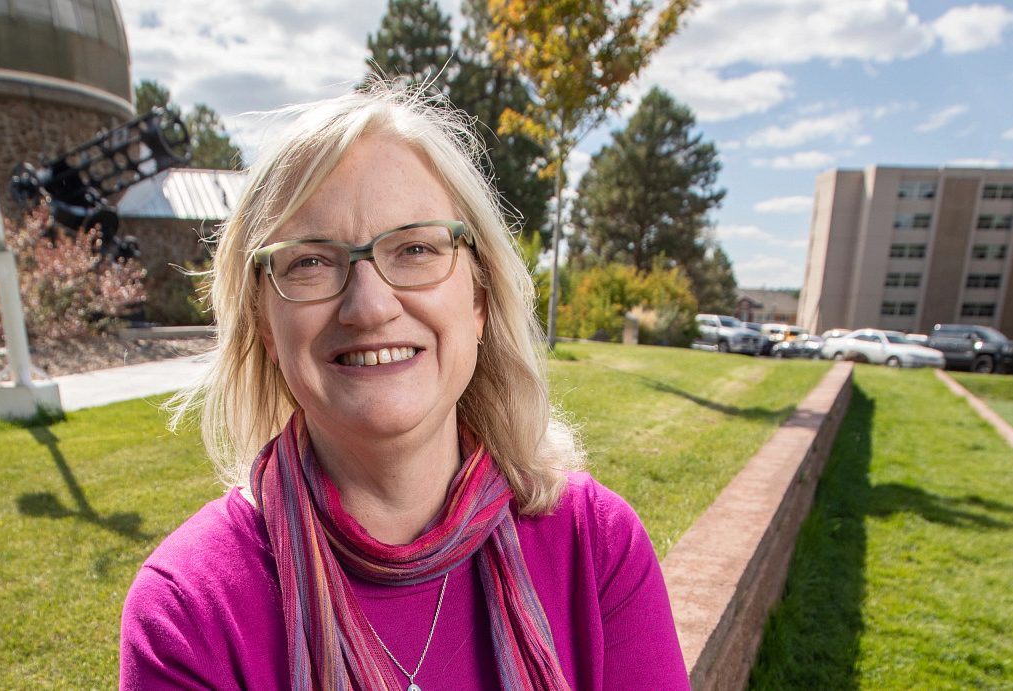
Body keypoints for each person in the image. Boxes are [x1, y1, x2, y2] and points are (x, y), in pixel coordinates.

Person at [119, 86, 689, 690]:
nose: (368, 306)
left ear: (477, 299)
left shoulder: (594, 545)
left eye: (415, 248)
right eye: (310, 261)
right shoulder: (188, 611)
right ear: (263, 322)